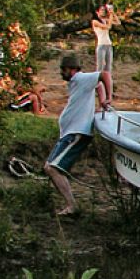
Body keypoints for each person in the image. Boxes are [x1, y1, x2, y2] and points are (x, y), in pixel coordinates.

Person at [44, 53, 112, 217]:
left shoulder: (81, 78)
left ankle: (72, 206)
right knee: (49, 167)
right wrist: (101, 99)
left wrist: (108, 99)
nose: (61, 73)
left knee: (52, 168)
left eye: (63, 69)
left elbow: (104, 75)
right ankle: (70, 205)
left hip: (77, 132)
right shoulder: (79, 82)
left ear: (71, 69)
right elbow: (98, 85)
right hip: (70, 132)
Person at [91, 5, 120, 73]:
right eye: (101, 10)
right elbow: (108, 27)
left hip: (109, 45)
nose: (103, 11)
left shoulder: (105, 20)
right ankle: (98, 82)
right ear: (97, 12)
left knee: (108, 67)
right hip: (101, 46)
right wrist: (110, 15)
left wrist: (113, 13)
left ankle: (107, 82)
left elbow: (118, 22)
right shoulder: (95, 21)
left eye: (104, 10)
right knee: (100, 67)